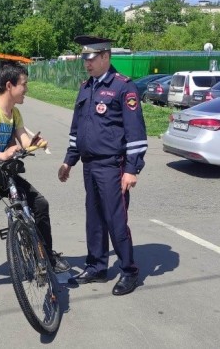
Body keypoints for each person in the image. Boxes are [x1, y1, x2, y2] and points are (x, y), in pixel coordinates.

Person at [0, 61, 70, 302]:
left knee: (40, 205)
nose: (27, 89)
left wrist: (35, 144)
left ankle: (48, 257)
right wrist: (0, 154)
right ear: (9, 86)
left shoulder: (15, 113)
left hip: (3, 176)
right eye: (24, 84)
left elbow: (22, 140)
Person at [58, 35, 147, 296]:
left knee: (115, 220)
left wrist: (132, 169)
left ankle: (129, 271)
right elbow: (77, 130)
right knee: (94, 220)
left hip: (112, 166)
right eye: (85, 59)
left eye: (91, 59)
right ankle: (97, 266)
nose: (87, 64)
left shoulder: (123, 88)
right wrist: (68, 161)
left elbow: (136, 134)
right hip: (89, 165)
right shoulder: (86, 87)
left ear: (106, 57)